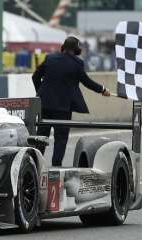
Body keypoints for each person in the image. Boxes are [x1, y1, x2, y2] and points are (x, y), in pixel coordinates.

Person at [32, 36, 111, 166]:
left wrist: (40, 93)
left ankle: (34, 166)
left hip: (44, 105)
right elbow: (87, 82)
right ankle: (56, 167)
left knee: (41, 137)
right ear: (77, 50)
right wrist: (102, 90)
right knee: (61, 139)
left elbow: (35, 76)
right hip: (63, 108)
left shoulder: (50, 58)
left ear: (63, 47)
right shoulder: (77, 63)